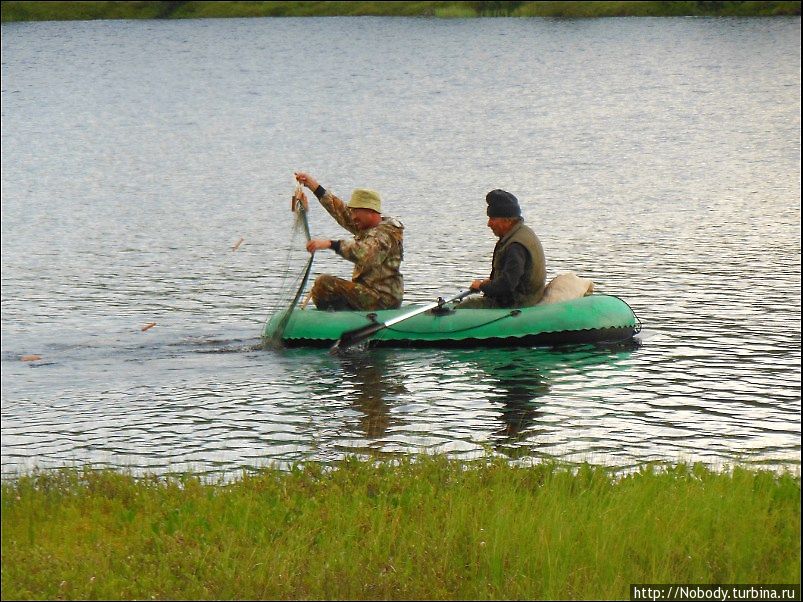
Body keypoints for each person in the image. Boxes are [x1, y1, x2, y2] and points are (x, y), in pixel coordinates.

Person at [293, 171, 404, 311]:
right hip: (368, 294)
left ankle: (338, 322)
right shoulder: (367, 225)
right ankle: (343, 315)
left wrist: (331, 244)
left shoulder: (385, 234)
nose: (352, 216)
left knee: (323, 284)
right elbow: (340, 211)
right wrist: (312, 185)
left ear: (370, 211)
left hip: (382, 300)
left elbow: (364, 254)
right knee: (321, 285)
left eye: (355, 211)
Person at [462, 189, 546, 308]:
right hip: (526, 297)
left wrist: (481, 286)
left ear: (507, 220)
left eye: (493, 219)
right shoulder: (522, 232)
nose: (489, 224)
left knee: (466, 307)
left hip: (517, 303)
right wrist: (491, 283)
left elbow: (507, 284)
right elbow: (511, 277)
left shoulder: (515, 246)